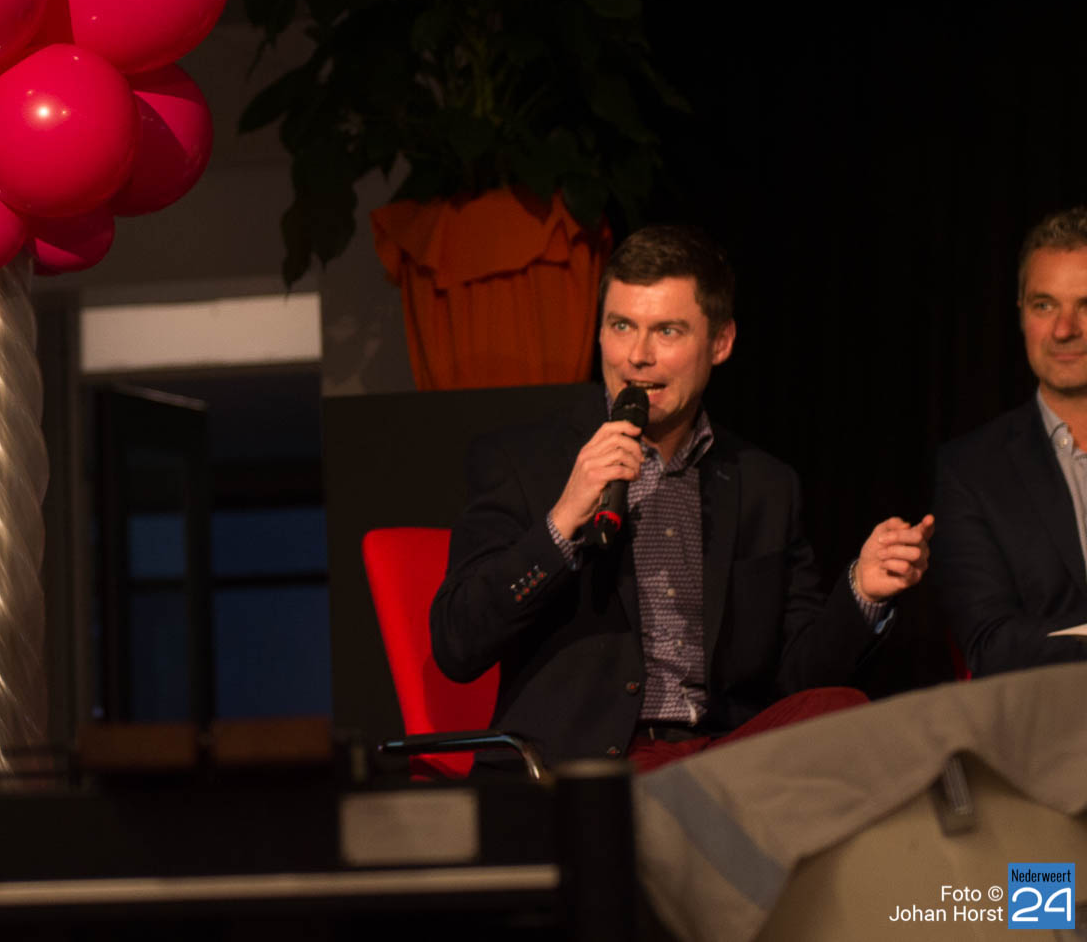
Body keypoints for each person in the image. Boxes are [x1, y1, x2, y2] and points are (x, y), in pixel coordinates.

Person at [431, 225, 933, 769]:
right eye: (621, 326)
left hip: (723, 758)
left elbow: (799, 678)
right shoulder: (522, 460)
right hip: (589, 770)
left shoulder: (764, 484)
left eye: (667, 331)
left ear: (721, 342)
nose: (637, 356)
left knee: (844, 711)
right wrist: (562, 522)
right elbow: (457, 644)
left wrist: (861, 592)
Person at [933, 209, 1087, 675]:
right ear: (1021, 313)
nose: (1064, 329)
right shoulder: (971, 471)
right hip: (1049, 715)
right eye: (1044, 305)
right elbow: (991, 646)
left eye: (1086, 305)